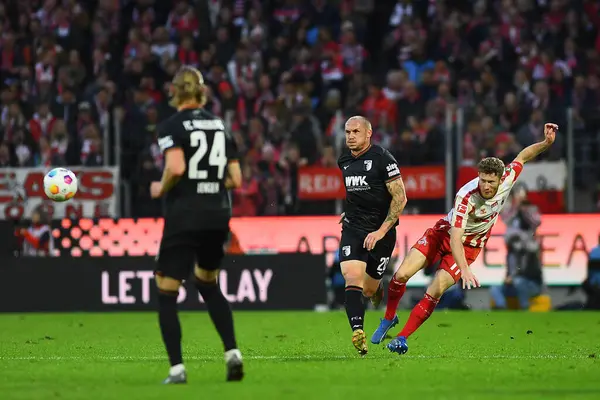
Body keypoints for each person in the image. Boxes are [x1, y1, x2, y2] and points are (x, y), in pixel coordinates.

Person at [371, 123, 558, 354]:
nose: (486, 186)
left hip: (471, 247)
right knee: (400, 275)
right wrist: (465, 270)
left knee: (435, 290)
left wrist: (546, 143)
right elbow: (455, 235)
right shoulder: (465, 196)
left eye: (491, 181)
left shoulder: (509, 177)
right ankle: (389, 317)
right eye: (482, 180)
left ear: (501, 179)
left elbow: (523, 156)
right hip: (443, 235)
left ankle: (402, 338)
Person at [149, 66, 244, 384]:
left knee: (167, 290)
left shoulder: (170, 126)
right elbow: (235, 179)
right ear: (202, 93)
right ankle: (232, 354)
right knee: (207, 283)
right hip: (218, 214)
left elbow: (175, 167)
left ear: (175, 92)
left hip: (185, 215)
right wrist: (209, 183)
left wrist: (160, 188)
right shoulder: (220, 126)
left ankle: (177, 369)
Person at [337, 115, 408, 355]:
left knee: (368, 290)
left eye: (355, 131)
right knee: (351, 277)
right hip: (353, 228)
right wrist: (347, 213)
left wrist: (380, 231)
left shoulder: (382, 158)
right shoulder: (344, 159)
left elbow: (400, 197)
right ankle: (358, 331)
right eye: (347, 132)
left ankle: (377, 291)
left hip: (381, 233)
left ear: (369, 133)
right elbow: (354, 192)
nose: (350, 136)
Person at [490, 185, 544, 310]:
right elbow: (505, 219)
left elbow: (536, 222)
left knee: (519, 282)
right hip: (515, 279)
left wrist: (524, 209)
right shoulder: (511, 210)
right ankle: (501, 309)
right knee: (495, 289)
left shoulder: (531, 210)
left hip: (528, 280)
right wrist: (515, 207)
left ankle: (524, 308)